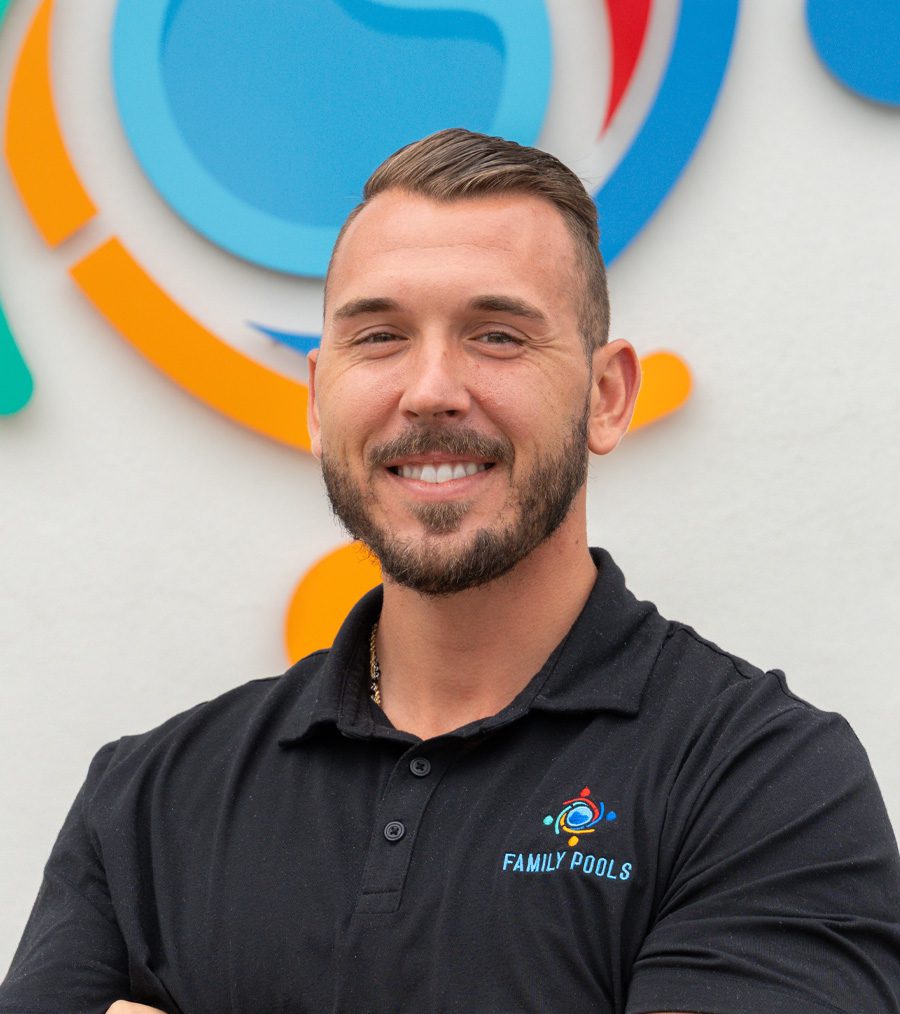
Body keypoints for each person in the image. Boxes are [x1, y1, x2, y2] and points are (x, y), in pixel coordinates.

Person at [2, 129, 899, 1014]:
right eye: (380, 336)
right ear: (316, 399)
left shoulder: (763, 782)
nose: (431, 389)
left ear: (606, 397)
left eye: (498, 335)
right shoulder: (148, 797)